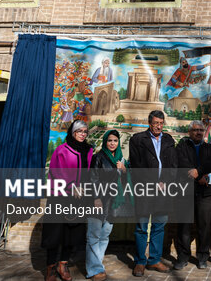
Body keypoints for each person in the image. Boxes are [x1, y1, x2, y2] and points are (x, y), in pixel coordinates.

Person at [43, 120, 93, 281]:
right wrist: (72, 187)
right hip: (60, 197)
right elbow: (56, 172)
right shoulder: (62, 150)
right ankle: (50, 266)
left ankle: (62, 264)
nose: (83, 134)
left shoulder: (89, 151)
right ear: (73, 132)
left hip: (79, 200)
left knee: (71, 235)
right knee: (55, 234)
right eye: (79, 131)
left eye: (85, 131)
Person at [129, 110, 177, 277]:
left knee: (159, 226)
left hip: (163, 191)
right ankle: (140, 262)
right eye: (156, 123)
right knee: (142, 227)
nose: (158, 126)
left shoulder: (169, 140)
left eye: (161, 123)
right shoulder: (138, 140)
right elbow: (136, 165)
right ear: (149, 123)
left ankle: (154, 260)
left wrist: (165, 181)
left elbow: (173, 165)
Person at [86, 130, 132, 281]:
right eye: (110, 140)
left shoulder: (121, 159)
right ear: (105, 141)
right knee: (93, 235)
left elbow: (127, 181)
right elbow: (93, 179)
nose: (112, 143)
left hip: (113, 203)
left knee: (105, 235)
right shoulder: (98, 158)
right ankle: (93, 270)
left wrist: (124, 171)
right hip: (99, 200)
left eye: (115, 141)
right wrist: (96, 198)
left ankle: (97, 264)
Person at [175, 120, 211, 269]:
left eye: (201, 130)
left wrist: (198, 172)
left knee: (204, 226)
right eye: (195, 130)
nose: (198, 132)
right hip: (186, 191)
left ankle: (202, 257)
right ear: (189, 132)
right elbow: (182, 162)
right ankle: (183, 256)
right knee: (184, 226)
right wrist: (200, 176)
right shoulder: (182, 146)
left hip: (205, 193)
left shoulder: (209, 148)